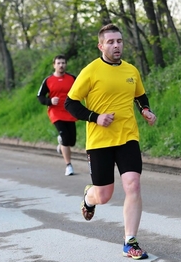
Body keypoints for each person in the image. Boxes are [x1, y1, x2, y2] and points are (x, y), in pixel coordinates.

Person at [65, 24, 156, 260]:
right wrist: (95, 117)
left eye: (119, 41)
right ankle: (89, 197)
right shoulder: (90, 71)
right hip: (99, 141)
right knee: (104, 195)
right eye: (111, 42)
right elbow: (70, 104)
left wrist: (145, 110)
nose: (116, 46)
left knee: (133, 185)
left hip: (127, 137)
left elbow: (139, 95)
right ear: (101, 45)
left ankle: (130, 241)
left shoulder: (131, 70)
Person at [37, 55, 77, 176]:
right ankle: (68, 166)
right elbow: (40, 96)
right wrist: (49, 101)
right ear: (54, 65)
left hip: (70, 112)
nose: (61, 65)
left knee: (72, 141)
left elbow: (81, 91)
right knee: (65, 137)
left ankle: (60, 146)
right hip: (56, 113)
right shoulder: (48, 80)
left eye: (63, 63)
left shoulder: (72, 79)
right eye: (59, 63)